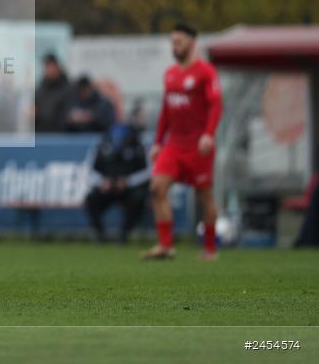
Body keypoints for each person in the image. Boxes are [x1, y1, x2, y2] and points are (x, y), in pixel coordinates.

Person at [143, 23, 223, 260]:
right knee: (157, 188)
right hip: (174, 146)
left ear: (192, 42)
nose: (175, 46)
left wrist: (209, 134)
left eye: (179, 41)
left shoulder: (206, 72)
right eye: (172, 42)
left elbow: (216, 105)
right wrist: (158, 142)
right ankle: (166, 246)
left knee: (204, 197)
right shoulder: (170, 74)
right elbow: (166, 111)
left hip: (199, 146)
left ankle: (210, 249)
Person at [84, 117, 149, 243]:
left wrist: (128, 181)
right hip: (107, 187)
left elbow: (149, 172)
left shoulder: (138, 146)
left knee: (138, 199)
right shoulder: (101, 145)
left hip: (129, 189)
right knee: (90, 200)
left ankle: (124, 235)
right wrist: (101, 181)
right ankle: (100, 235)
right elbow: (89, 170)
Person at [34, 53, 71, 133]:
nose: (50, 70)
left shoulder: (68, 89)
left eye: (52, 66)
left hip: (62, 137)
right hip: (42, 137)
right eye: (47, 66)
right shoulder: (39, 91)